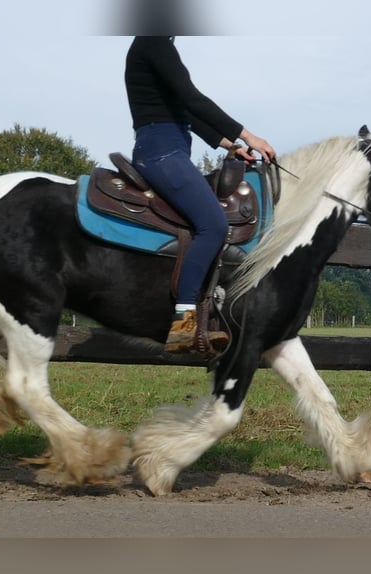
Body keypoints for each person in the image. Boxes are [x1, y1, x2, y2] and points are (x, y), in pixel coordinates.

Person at [125, 36, 276, 352]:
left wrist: (231, 145)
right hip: (162, 152)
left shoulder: (154, 46)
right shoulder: (154, 43)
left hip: (169, 149)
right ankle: (184, 322)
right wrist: (249, 136)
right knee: (214, 225)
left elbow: (184, 111)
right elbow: (193, 99)